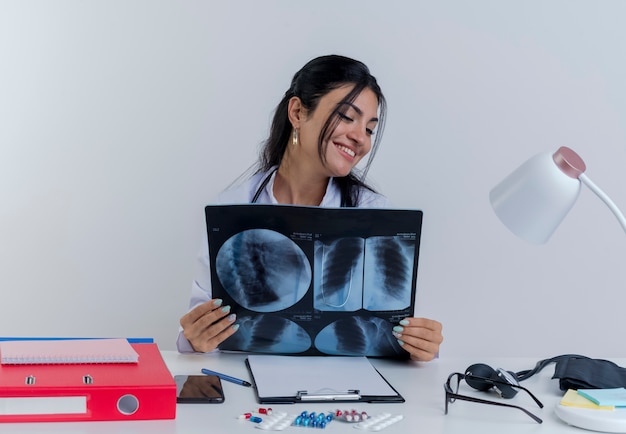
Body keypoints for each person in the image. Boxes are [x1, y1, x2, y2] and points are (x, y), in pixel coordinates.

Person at [178, 54, 443, 361]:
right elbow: (200, 341)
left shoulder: (378, 215)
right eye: (347, 116)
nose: (360, 138)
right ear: (297, 112)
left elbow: (396, 337)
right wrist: (194, 340)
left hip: (352, 389)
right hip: (249, 383)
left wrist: (420, 346)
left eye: (370, 128)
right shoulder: (230, 209)